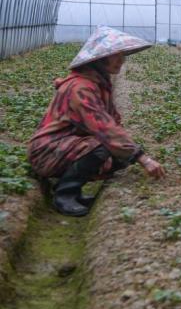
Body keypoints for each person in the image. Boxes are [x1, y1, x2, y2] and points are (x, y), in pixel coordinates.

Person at [28, 26, 166, 217]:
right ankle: (65, 194)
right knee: (102, 147)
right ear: (100, 59)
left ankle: (74, 188)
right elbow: (104, 128)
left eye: (123, 55)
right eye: (116, 55)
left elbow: (113, 120)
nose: (122, 60)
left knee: (119, 155)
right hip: (47, 151)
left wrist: (131, 151)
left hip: (66, 146)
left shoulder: (98, 84)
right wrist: (143, 158)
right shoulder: (81, 88)